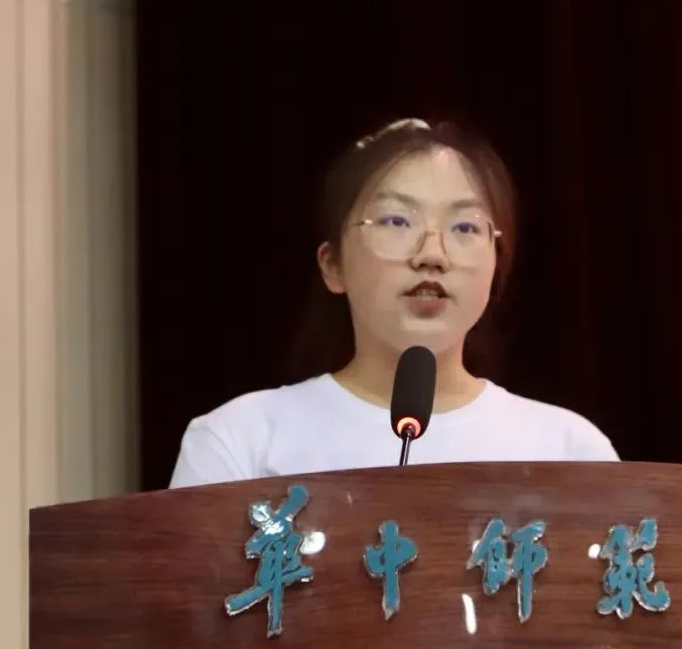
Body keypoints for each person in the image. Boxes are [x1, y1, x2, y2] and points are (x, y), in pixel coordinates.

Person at [169, 118, 618, 487]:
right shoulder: (239, 442)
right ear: (333, 265)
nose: (432, 255)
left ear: (496, 265)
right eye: (396, 221)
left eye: (464, 228)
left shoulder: (570, 451)